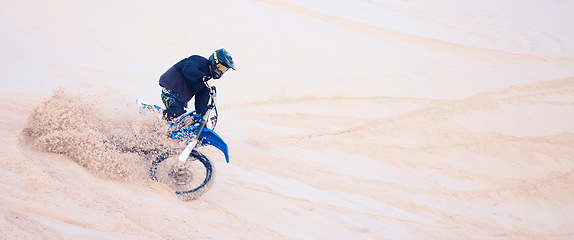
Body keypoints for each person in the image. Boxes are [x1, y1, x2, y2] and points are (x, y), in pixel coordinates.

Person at [159, 48, 235, 121]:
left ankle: (165, 131)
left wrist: (204, 117)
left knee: (185, 120)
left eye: (223, 69)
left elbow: (201, 105)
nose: (220, 71)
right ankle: (155, 118)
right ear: (214, 61)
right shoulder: (198, 60)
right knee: (178, 111)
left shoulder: (206, 85)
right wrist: (203, 77)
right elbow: (187, 69)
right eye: (220, 67)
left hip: (180, 102)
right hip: (169, 90)